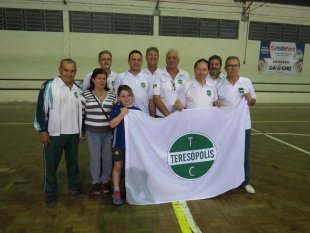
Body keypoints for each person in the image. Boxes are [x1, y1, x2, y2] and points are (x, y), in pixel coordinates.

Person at [34, 58, 85, 208]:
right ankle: (50, 193)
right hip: (54, 133)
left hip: (73, 134)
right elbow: (40, 109)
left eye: (72, 70)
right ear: (60, 70)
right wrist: (43, 130)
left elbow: (81, 112)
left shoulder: (78, 89)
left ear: (75, 72)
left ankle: (75, 187)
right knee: (51, 165)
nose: (69, 73)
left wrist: (81, 132)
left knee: (73, 163)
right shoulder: (50, 85)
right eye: (66, 70)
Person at [217, 56, 256, 194]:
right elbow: (215, 103)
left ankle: (245, 181)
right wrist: (217, 103)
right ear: (225, 68)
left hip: (243, 125)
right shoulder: (220, 84)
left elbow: (253, 102)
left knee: (244, 153)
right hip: (226, 127)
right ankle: (225, 180)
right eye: (229, 66)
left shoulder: (246, 82)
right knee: (225, 153)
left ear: (239, 67)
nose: (232, 68)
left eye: (235, 65)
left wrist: (249, 99)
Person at [81, 68, 116, 196]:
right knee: (95, 158)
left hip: (108, 133)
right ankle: (96, 181)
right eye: (99, 78)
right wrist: (82, 133)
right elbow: (82, 114)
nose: (102, 81)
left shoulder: (112, 95)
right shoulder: (85, 95)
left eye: (104, 78)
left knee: (107, 158)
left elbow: (115, 114)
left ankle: (105, 181)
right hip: (92, 132)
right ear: (93, 80)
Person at [109, 85, 141, 206]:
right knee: (118, 166)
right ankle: (116, 191)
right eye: (123, 96)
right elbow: (112, 124)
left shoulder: (137, 110)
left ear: (132, 96)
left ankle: (130, 191)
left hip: (133, 145)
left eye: (128, 96)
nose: (126, 98)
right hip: (119, 143)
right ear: (118, 97)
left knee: (131, 168)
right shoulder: (116, 108)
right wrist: (122, 114)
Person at [153, 49, 190, 117]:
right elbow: (156, 97)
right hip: (162, 116)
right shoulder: (158, 74)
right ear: (166, 60)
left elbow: (188, 95)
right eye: (169, 58)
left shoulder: (185, 75)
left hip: (180, 115)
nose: (171, 60)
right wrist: (168, 115)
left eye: (174, 58)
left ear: (178, 60)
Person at [114, 50, 152, 115]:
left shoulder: (148, 77)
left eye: (139, 60)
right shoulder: (121, 77)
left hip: (143, 116)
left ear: (142, 62)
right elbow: (116, 98)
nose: (136, 62)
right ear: (129, 61)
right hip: (125, 117)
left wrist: (152, 117)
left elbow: (151, 101)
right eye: (133, 59)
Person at [141, 46, 162, 117]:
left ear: (158, 57)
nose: (153, 57)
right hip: (145, 112)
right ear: (146, 57)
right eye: (150, 55)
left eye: (155, 55)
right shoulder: (141, 75)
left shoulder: (163, 74)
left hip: (161, 112)